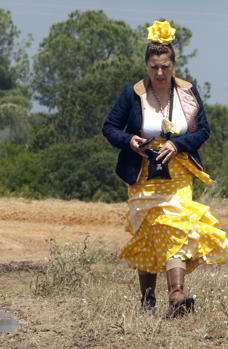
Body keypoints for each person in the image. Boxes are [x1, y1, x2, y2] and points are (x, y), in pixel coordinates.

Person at [103, 21, 227, 317]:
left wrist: (179, 145)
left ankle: (176, 297)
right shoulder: (132, 94)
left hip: (178, 174)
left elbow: (204, 131)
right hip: (144, 174)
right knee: (149, 232)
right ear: (147, 66)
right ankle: (147, 301)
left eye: (165, 66)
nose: (160, 73)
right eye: (154, 67)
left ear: (174, 64)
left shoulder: (188, 92)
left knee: (177, 226)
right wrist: (130, 140)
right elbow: (109, 128)